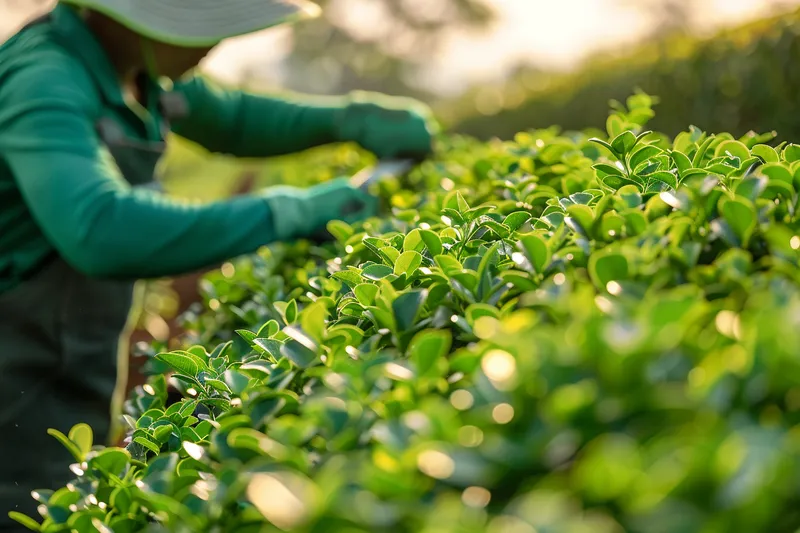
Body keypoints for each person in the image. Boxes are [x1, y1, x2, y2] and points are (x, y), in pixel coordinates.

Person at [0, 0, 436, 527]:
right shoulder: (45, 79)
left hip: (69, 346)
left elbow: (233, 119)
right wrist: (289, 210)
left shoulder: (135, 67)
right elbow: (99, 227)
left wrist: (350, 118)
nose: (214, 45)